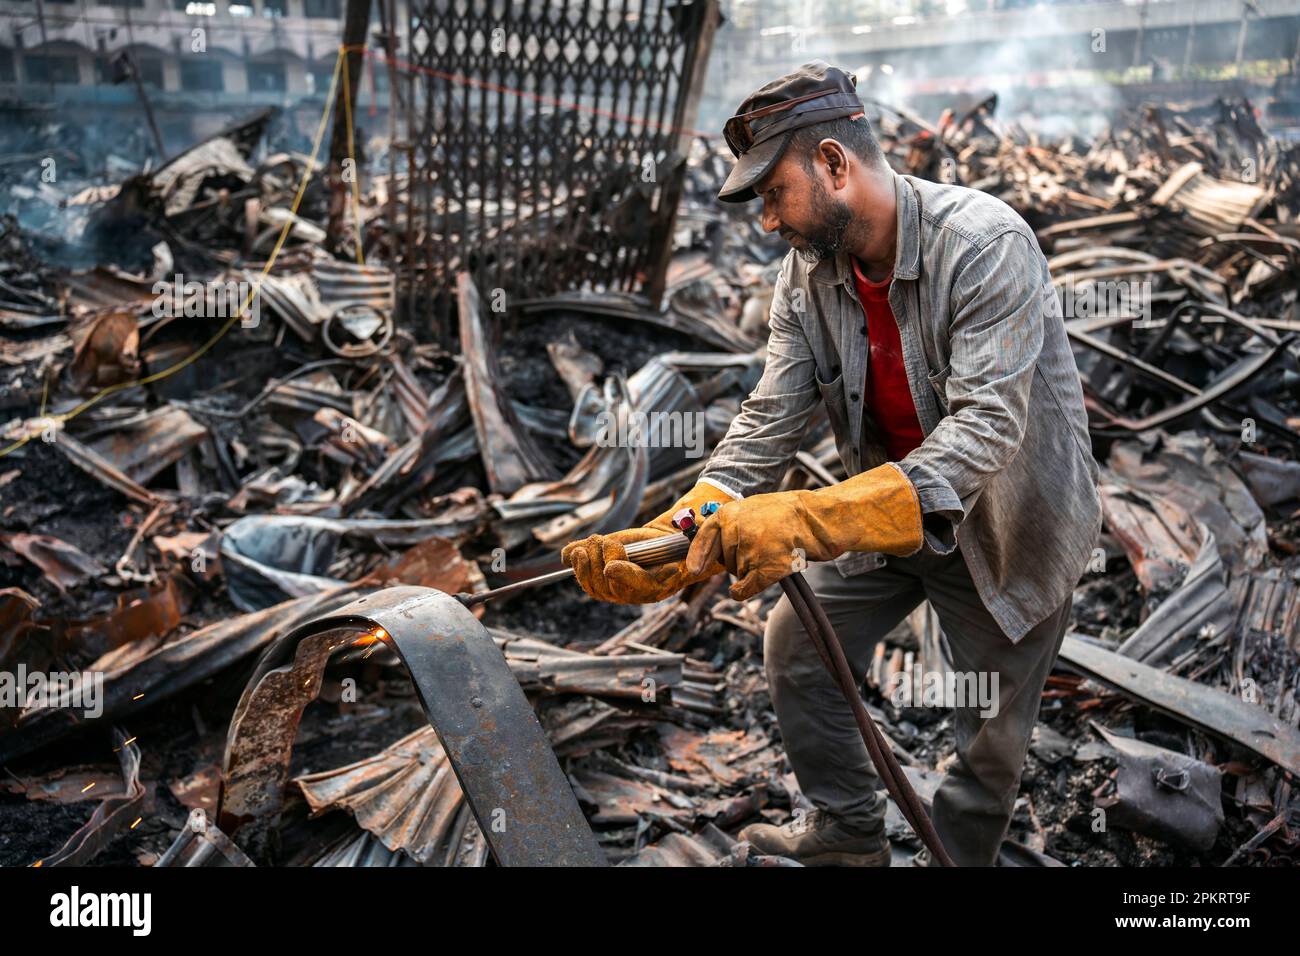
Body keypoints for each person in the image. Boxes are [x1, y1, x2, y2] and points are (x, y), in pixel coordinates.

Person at [562, 61, 1101, 867]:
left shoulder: (985, 245)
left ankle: (953, 860)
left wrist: (809, 518)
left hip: (1006, 525)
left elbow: (986, 429)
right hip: (886, 514)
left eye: (774, 194)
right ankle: (850, 833)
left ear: (834, 165)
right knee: (796, 643)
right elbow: (769, 416)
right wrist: (682, 530)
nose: (770, 222)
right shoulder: (809, 275)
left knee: (986, 742)